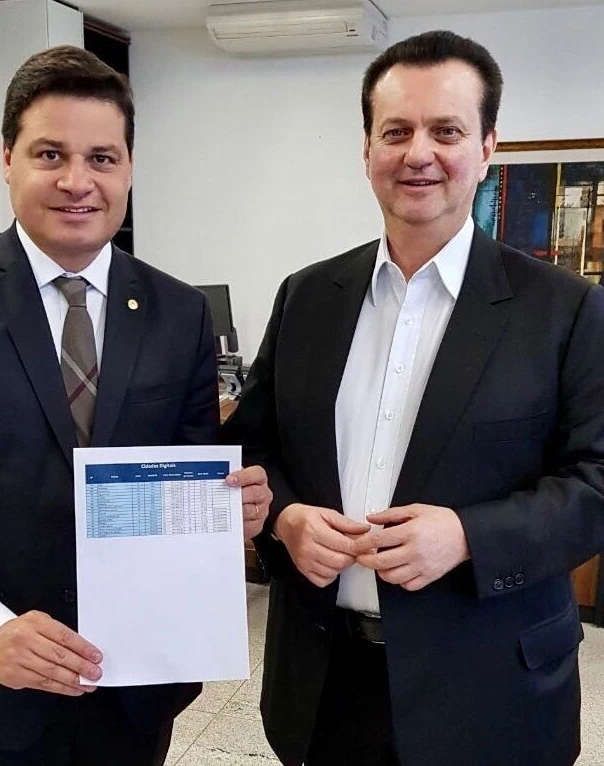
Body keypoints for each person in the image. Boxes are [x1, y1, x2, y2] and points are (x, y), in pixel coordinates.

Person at [222, 29, 604, 766]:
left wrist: (467, 536)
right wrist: (287, 520)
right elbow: (255, 447)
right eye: (396, 131)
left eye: (446, 131)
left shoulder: (565, 310)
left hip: (489, 688)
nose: (418, 153)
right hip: (324, 683)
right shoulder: (308, 297)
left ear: (486, 149)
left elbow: (596, 483)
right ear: (367, 149)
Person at [0, 46, 271, 766]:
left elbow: (189, 477)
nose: (77, 181)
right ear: (7, 158)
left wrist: (230, 508)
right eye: (50, 154)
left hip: (137, 683)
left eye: (102, 158)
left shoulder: (179, 312)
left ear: (129, 168)